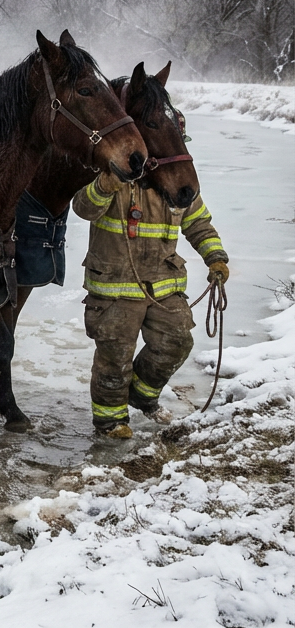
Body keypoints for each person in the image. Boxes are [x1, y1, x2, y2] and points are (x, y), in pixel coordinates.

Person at [72, 148, 229, 439]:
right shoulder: (113, 171)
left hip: (164, 284)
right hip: (114, 286)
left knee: (177, 341)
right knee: (115, 359)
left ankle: (142, 396)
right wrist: (106, 183)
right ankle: (110, 422)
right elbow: (83, 208)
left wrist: (216, 258)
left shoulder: (178, 180)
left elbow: (198, 223)